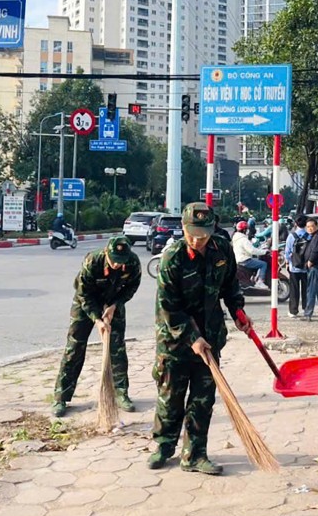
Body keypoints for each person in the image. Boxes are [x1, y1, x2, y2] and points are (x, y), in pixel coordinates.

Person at [149, 203, 250, 475]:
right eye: (192, 233)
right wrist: (193, 338)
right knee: (171, 397)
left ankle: (194, 454)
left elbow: (230, 285)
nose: (197, 239)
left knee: (203, 400)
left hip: (211, 334)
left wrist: (238, 310)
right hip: (175, 340)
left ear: (212, 229)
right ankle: (164, 445)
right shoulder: (172, 258)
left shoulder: (221, 249)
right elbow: (168, 307)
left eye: (203, 234)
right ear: (183, 228)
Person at [52, 235, 142, 417]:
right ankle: (61, 397)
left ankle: (121, 393)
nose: (117, 265)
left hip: (113, 302)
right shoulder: (92, 261)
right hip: (86, 302)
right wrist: (97, 320)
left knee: (117, 348)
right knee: (74, 347)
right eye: (114, 261)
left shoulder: (132, 262)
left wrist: (114, 306)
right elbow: (84, 294)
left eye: (121, 262)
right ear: (106, 253)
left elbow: (131, 287)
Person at [284, 215, 309, 318]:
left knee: (294, 290)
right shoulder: (309, 236)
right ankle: (306, 309)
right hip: (306, 267)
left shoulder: (292, 236)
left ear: (296, 224)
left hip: (294, 267)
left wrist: (288, 263)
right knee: (306, 289)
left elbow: (287, 252)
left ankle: (293, 311)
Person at [231, 221, 268, 289]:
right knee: (263, 264)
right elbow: (252, 250)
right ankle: (260, 281)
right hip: (244, 260)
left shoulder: (236, 238)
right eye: (247, 229)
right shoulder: (243, 239)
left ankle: (254, 278)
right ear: (244, 230)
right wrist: (264, 252)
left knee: (257, 261)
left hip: (238, 259)